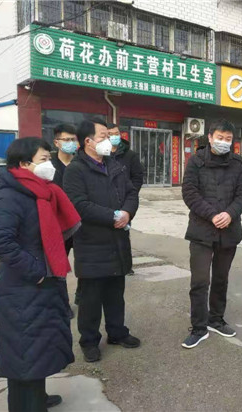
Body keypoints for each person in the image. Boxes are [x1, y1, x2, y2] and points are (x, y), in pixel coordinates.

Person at [0, 137, 81, 412]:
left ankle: (36, 398)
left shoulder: (42, 192)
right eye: (43, 159)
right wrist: (37, 271)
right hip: (24, 285)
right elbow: (0, 243)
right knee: (24, 352)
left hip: (42, 283)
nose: (49, 164)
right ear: (24, 164)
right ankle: (26, 406)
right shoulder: (10, 194)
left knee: (37, 348)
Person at [63, 118, 140, 363]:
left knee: (116, 294)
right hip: (92, 243)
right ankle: (89, 341)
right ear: (88, 141)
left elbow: (131, 192)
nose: (109, 140)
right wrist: (112, 216)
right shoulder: (76, 170)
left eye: (109, 136)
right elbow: (79, 205)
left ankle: (117, 333)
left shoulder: (114, 164)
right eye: (103, 136)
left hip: (118, 240)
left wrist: (127, 213)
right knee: (91, 298)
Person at [181, 119, 242, 349]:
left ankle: (216, 319)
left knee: (221, 278)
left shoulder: (237, 164)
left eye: (228, 139)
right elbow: (189, 192)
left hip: (229, 231)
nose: (223, 142)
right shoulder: (196, 161)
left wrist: (230, 214)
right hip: (201, 231)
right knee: (200, 281)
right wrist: (212, 215)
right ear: (210, 137)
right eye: (220, 138)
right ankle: (199, 327)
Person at [107, 122, 144, 276]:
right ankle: (109, 265)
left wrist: (130, 195)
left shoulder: (130, 155)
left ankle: (126, 266)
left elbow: (137, 177)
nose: (113, 137)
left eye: (116, 133)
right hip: (106, 200)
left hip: (124, 201)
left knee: (123, 234)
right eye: (109, 134)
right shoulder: (102, 154)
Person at [51, 124, 79, 317]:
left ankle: (82, 297)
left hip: (81, 223)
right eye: (66, 139)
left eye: (73, 140)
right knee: (59, 267)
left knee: (85, 264)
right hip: (59, 226)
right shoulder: (48, 166)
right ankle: (62, 304)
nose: (70, 143)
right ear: (57, 142)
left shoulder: (81, 164)